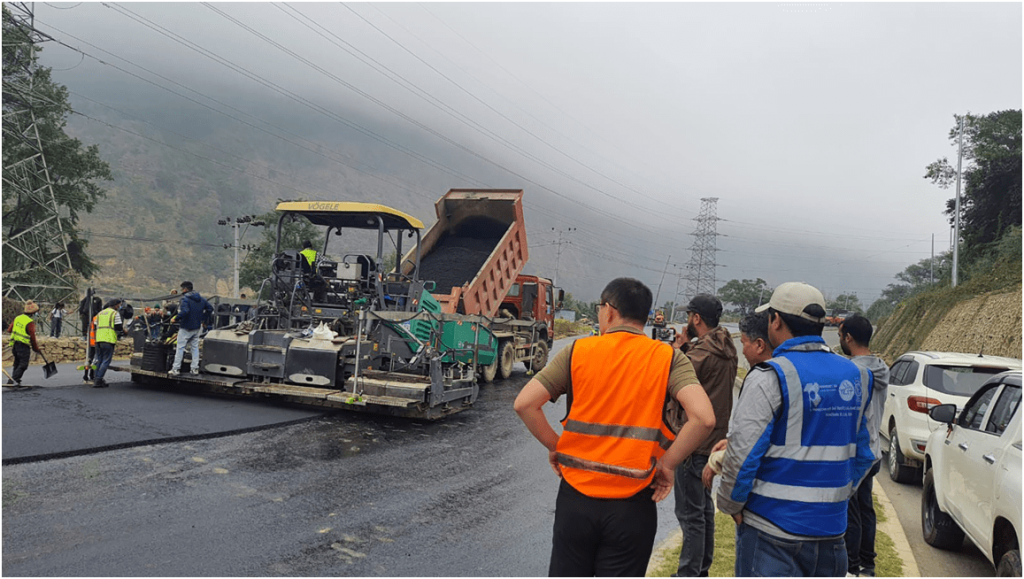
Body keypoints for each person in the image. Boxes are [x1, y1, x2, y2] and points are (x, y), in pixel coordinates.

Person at [514, 277, 716, 577]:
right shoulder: (667, 357)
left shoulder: (577, 351)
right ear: (646, 316)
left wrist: (557, 447)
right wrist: (667, 464)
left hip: (576, 499)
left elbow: (525, 404)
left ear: (609, 311)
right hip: (634, 503)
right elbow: (703, 418)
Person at [716, 282, 874, 577]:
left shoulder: (769, 376)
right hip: (833, 535)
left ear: (775, 321)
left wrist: (730, 504)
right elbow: (867, 454)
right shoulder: (859, 376)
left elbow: (742, 454)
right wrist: (833, 499)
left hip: (771, 534)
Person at [670, 294, 738, 577]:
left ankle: (688, 573)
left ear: (696, 318)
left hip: (694, 442)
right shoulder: (726, 347)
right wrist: (688, 347)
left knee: (690, 515)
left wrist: (676, 350)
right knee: (703, 511)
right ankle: (701, 570)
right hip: (713, 441)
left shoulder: (701, 353)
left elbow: (674, 376)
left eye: (689, 316)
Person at [839, 314, 890, 577]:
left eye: (840, 335)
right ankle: (868, 564)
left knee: (852, 509)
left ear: (848, 337)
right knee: (865, 507)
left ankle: (852, 566)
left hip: (859, 451)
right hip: (875, 450)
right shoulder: (882, 366)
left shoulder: (855, 372)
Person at [701, 311, 772, 490]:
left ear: (759, 345)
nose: (743, 350)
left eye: (744, 343)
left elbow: (750, 442)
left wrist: (731, 501)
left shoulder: (762, 379)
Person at [169, 281, 213, 376]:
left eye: (182, 289)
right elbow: (210, 309)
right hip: (197, 327)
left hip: (185, 327)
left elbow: (185, 311)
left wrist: (175, 318)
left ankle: (176, 369)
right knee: (195, 348)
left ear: (185, 289)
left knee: (180, 348)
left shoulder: (185, 299)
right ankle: (194, 369)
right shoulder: (202, 299)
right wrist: (203, 318)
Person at [7, 301, 43, 386]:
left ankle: (12, 380)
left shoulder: (17, 318)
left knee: (17, 362)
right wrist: (35, 348)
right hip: (23, 346)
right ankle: (14, 379)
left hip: (15, 345)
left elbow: (9, 330)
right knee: (23, 364)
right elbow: (32, 337)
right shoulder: (29, 322)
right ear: (33, 313)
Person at [93, 298, 124, 389]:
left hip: (98, 338)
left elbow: (95, 325)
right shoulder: (115, 313)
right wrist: (122, 333)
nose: (119, 306)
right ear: (116, 305)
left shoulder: (100, 313)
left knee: (98, 359)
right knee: (106, 360)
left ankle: (96, 378)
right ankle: (98, 379)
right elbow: (118, 327)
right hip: (108, 339)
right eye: (119, 305)